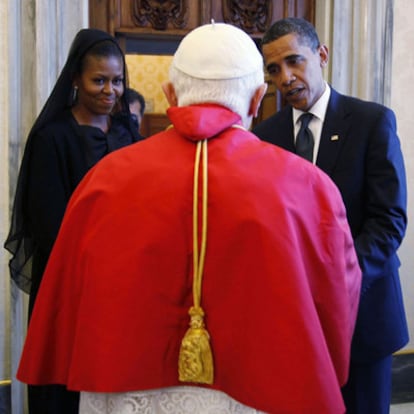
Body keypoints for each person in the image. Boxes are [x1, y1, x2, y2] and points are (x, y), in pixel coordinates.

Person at [16, 23, 361, 414]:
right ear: (257, 99)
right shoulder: (308, 186)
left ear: (170, 94)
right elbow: (337, 296)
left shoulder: (105, 180)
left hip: (127, 386)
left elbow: (66, 290)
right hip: (262, 386)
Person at [252, 17, 408, 414]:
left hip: (363, 314)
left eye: (294, 61)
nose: (285, 78)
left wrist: (340, 275)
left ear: (321, 55)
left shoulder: (372, 121)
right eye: (273, 69)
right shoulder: (264, 138)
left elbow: (388, 220)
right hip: (296, 320)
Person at [4, 28, 142, 414]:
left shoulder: (126, 131)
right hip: (69, 284)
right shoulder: (53, 137)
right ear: (76, 80)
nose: (109, 91)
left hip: (120, 287)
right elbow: (49, 222)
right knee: (64, 388)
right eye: (98, 80)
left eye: (116, 81)